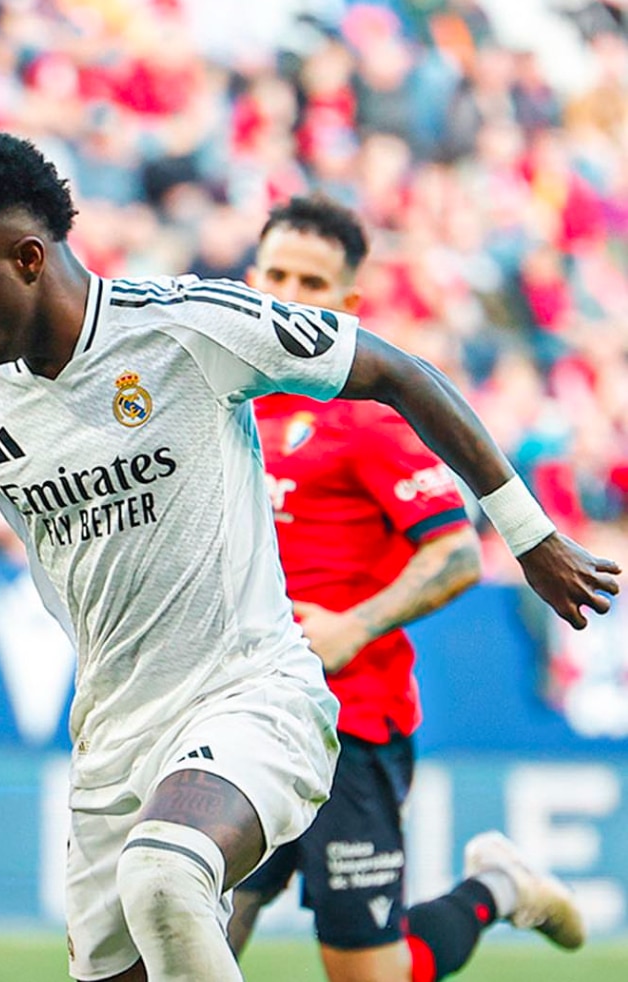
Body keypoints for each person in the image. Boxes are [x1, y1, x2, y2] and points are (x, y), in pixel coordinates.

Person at [0, 128, 619, 982]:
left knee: (169, 879)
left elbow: (397, 371)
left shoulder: (188, 328)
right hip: (115, 738)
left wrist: (527, 534)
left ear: (28, 259)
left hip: (254, 691)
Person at [230, 193, 587, 982]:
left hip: (349, 724)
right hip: (242, 716)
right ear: (250, 279)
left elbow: (457, 555)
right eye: (276, 273)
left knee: (369, 975)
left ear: (348, 303)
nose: (287, 293)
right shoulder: (225, 408)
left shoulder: (366, 415)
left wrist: (355, 626)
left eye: (311, 282)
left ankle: (496, 887)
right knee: (192, 934)